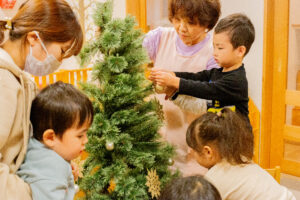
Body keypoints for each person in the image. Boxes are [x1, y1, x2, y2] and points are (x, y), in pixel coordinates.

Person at [0, 0, 83, 199]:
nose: (60, 62)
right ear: (33, 38)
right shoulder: (4, 82)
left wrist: (52, 164)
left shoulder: (23, 81)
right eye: (62, 51)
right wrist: (30, 192)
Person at [143, 0, 221, 176]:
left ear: (207, 23)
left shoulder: (213, 54)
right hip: (158, 136)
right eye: (177, 19)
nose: (181, 28)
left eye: (191, 22)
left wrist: (174, 86)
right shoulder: (160, 38)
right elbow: (130, 56)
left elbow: (208, 103)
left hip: (193, 144)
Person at [150, 13, 255, 123]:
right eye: (214, 47)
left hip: (237, 137)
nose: (214, 53)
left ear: (240, 51)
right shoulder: (218, 72)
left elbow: (205, 89)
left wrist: (175, 81)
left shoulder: (236, 81)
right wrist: (172, 75)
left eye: (220, 48)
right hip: (220, 135)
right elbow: (197, 78)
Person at [186, 108, 296, 200]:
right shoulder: (241, 159)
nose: (190, 151)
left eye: (193, 149)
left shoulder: (214, 181)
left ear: (208, 152)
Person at [17, 81, 93, 200]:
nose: (86, 140)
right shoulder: (50, 174)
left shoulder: (39, 149)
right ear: (50, 138)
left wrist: (66, 169)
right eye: (80, 136)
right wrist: (59, 171)